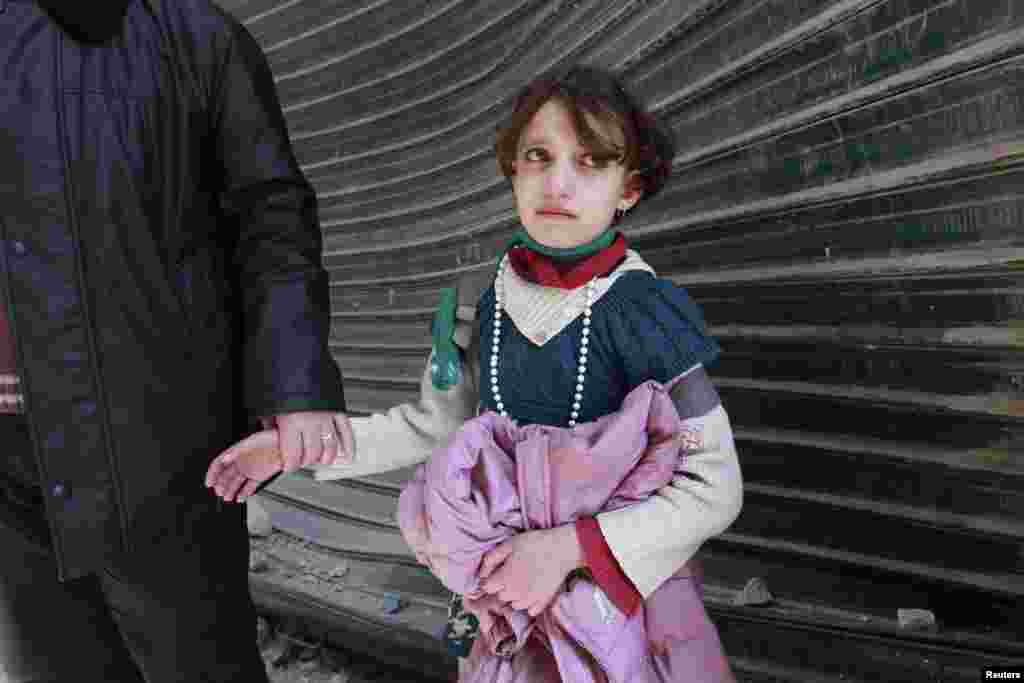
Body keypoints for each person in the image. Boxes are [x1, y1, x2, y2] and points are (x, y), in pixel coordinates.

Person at [207, 65, 742, 681]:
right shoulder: (477, 304)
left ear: (630, 188)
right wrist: (296, 448)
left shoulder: (647, 314)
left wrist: (567, 549)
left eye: (591, 162)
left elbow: (714, 488)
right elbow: (432, 431)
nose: (558, 182)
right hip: (506, 605)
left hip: (621, 612)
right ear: (513, 169)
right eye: (538, 156)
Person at [0, 1, 353, 681]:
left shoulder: (197, 40)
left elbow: (271, 216)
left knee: (195, 663)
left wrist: (294, 381)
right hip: (11, 457)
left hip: (156, 447)